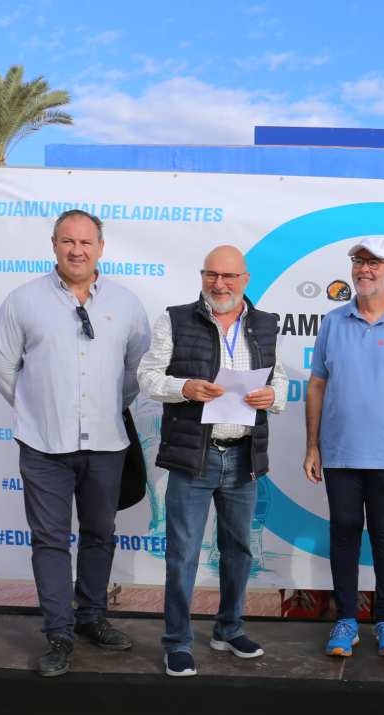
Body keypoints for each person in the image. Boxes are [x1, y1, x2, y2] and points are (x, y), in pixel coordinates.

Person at [0, 210, 152, 677]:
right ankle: (59, 633)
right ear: (54, 245)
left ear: (101, 247)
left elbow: (137, 371)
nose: (76, 250)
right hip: (43, 445)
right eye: (67, 241)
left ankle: (91, 617)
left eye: (85, 242)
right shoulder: (23, 300)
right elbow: (0, 365)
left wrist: (106, 407)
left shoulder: (126, 303)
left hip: (107, 443)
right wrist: (39, 408)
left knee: (100, 534)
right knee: (50, 540)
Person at [138, 245, 287, 677]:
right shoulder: (175, 319)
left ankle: (229, 629)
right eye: (211, 275)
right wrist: (184, 387)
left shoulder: (265, 325)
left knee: (239, 551)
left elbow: (278, 379)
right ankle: (177, 643)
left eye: (228, 276)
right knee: (182, 554)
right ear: (202, 275)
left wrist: (272, 395)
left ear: (245, 280)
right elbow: (147, 377)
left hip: (243, 456)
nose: (219, 284)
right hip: (194, 458)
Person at [303, 237, 384, 658]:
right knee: (343, 533)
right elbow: (317, 385)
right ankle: (346, 620)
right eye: (359, 261)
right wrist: (312, 446)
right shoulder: (332, 322)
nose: (364, 269)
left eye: (374, 262)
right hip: (340, 453)